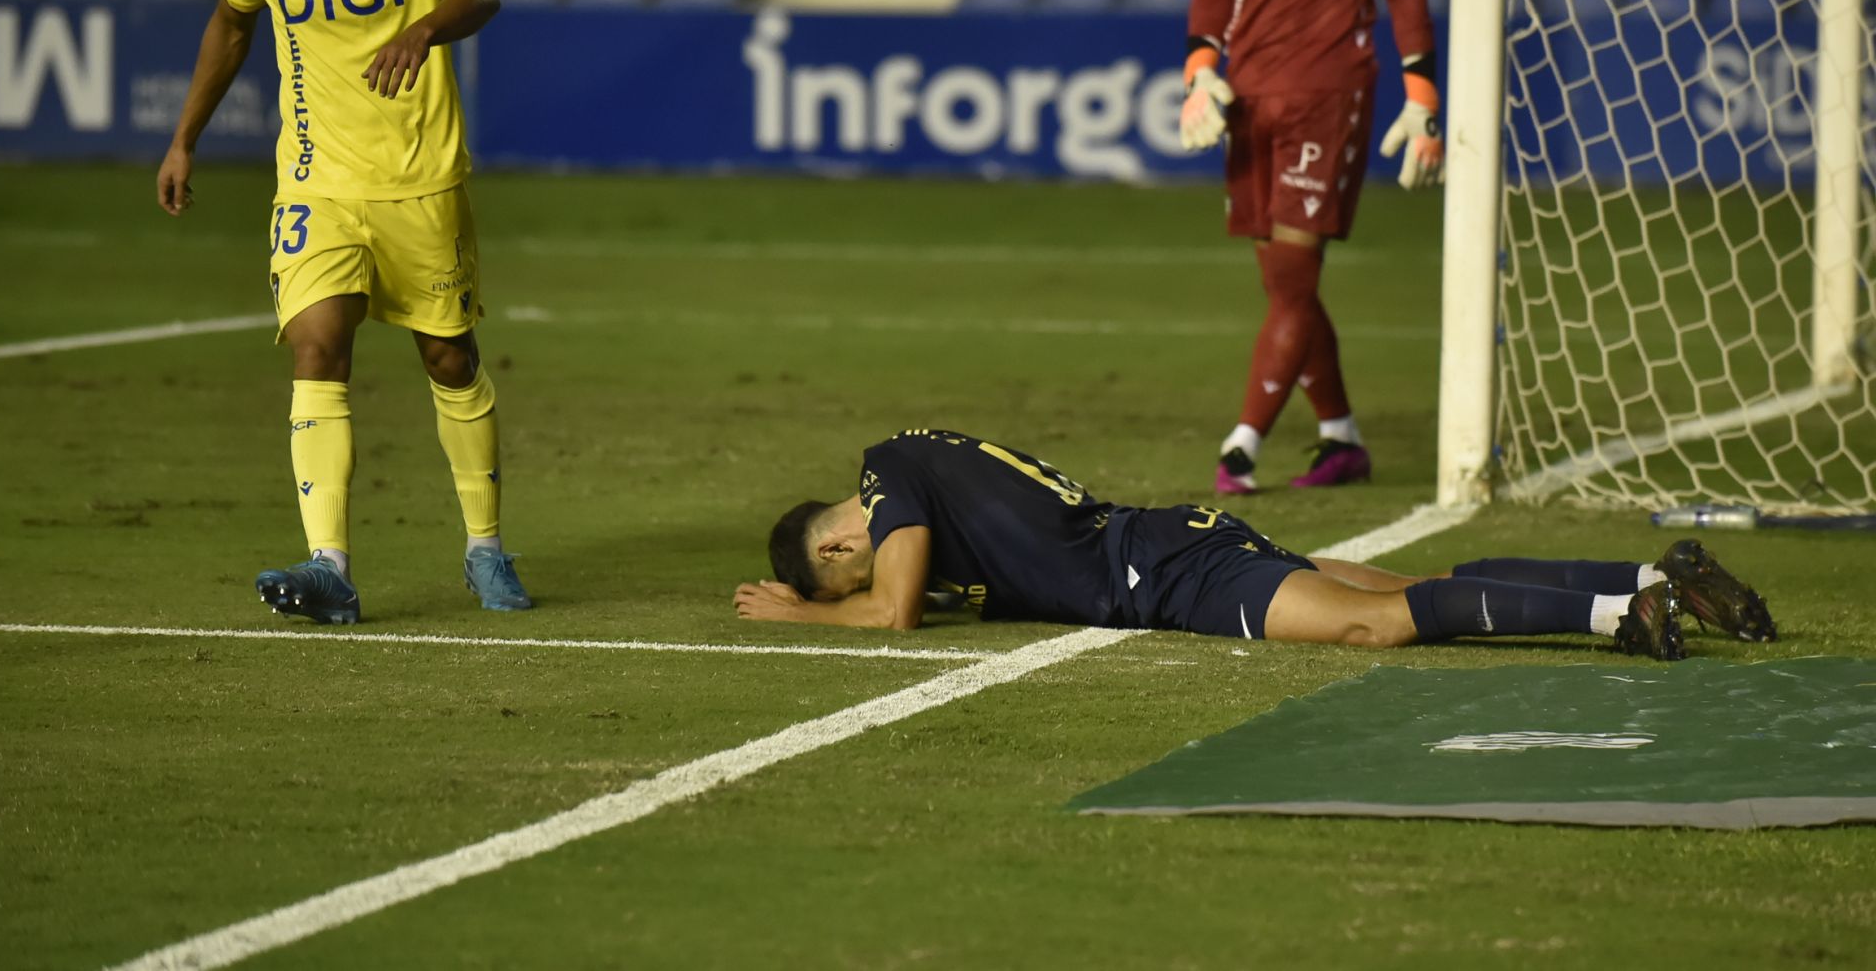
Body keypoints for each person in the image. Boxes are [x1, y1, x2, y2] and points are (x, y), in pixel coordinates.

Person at [154, 0, 529, 624]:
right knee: (317, 346)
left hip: (421, 178)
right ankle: (330, 566)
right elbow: (232, 25)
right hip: (315, 180)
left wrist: (424, 30)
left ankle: (485, 548)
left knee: (449, 357)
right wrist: (183, 138)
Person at [734, 429, 1778, 661]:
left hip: (1169, 572)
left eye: (844, 574)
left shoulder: (888, 474)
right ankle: (1655, 575)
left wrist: (807, 616)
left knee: (1374, 626)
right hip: (1168, 536)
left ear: (835, 548)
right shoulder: (933, 473)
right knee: (1417, 583)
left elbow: (893, 612)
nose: (871, 571)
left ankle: (1620, 614)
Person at [1177, 0, 1443, 496]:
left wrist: (1421, 89)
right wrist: (1200, 66)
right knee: (1285, 285)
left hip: (1330, 90)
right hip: (1250, 95)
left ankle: (1242, 445)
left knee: (1293, 276)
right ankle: (1341, 438)